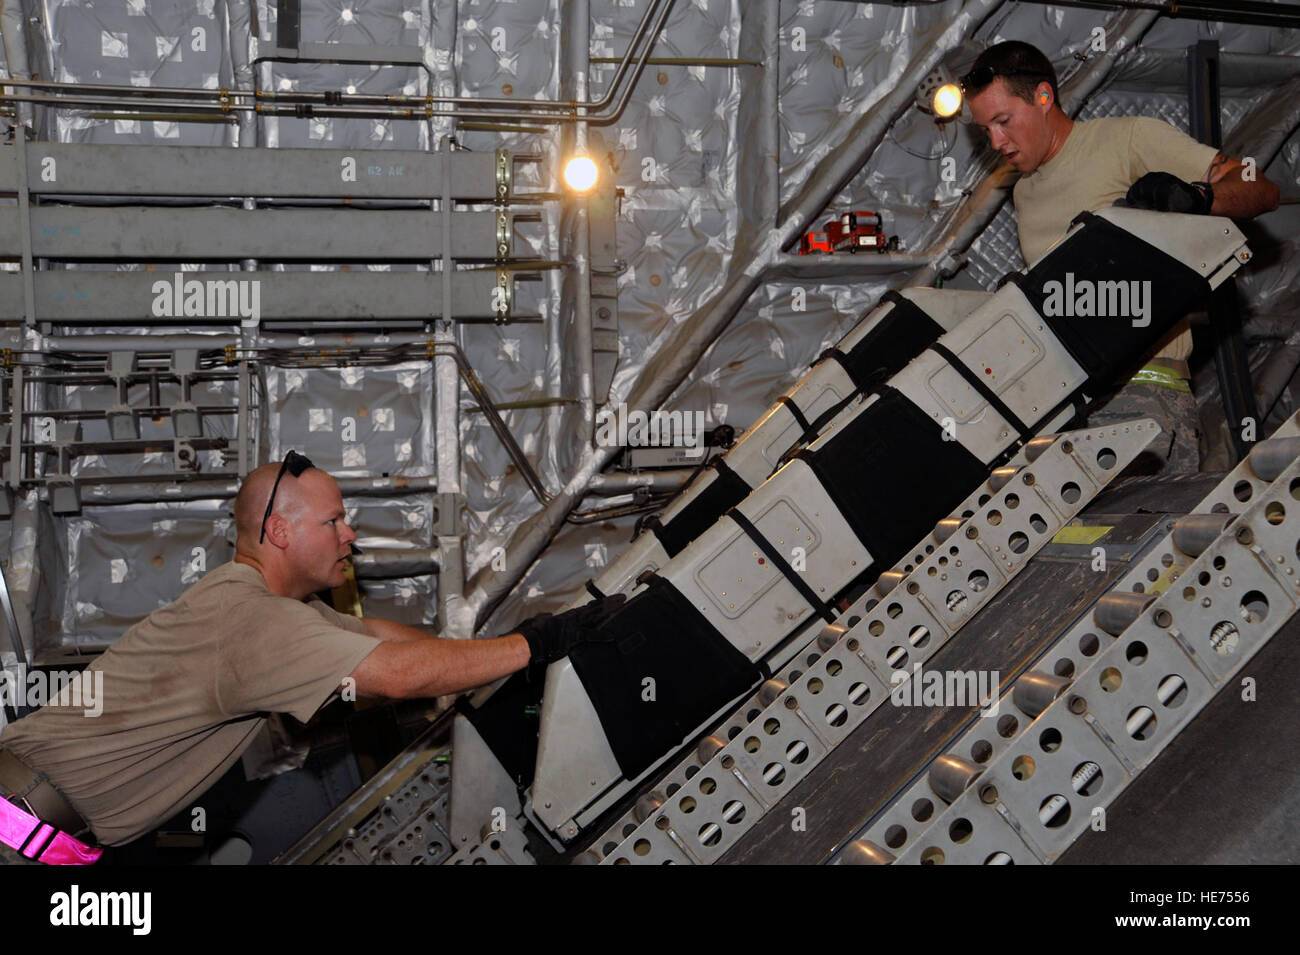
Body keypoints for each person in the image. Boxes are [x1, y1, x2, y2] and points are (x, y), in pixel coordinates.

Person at [0, 451, 616, 863]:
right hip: (16, 828)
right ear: (280, 533)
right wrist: (538, 646)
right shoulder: (254, 623)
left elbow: (378, 637)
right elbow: (395, 676)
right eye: (335, 520)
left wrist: (516, 641)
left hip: (43, 835)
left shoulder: (259, 607)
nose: (350, 535)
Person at [964, 40, 1279, 472]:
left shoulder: (1126, 139)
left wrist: (1197, 196)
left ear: (1042, 97)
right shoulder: (1024, 192)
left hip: (1143, 396)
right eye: (986, 131)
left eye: (1003, 121)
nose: (997, 141)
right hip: (1069, 408)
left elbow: (1257, 183)